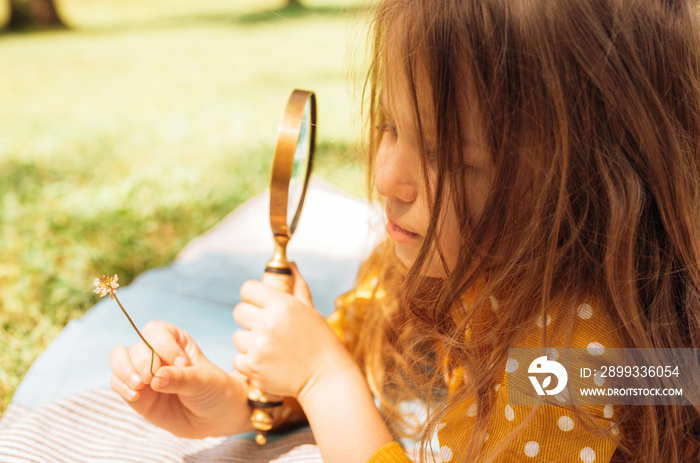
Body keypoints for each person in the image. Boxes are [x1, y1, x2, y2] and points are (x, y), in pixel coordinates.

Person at [108, 0, 700, 461]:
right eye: (390, 124)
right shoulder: (435, 255)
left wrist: (321, 377)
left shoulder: (592, 358)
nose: (388, 179)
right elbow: (360, 355)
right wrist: (242, 400)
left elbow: (334, 375)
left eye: (451, 157)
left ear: (593, 188)